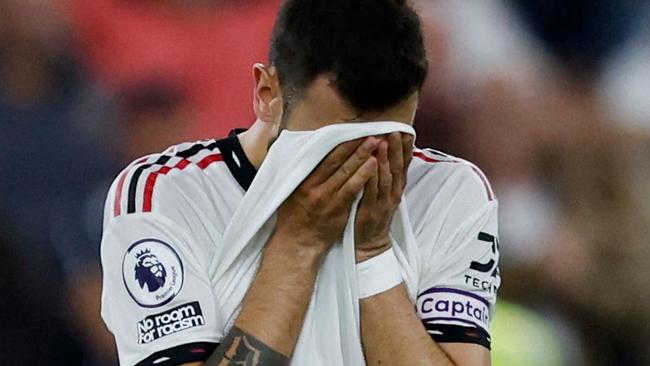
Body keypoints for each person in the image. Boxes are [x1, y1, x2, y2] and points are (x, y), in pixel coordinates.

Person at [100, 0, 500, 365]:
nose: (365, 165)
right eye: (338, 142)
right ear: (267, 94)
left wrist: (373, 254)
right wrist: (298, 245)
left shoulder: (448, 192)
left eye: (394, 141)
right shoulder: (166, 196)